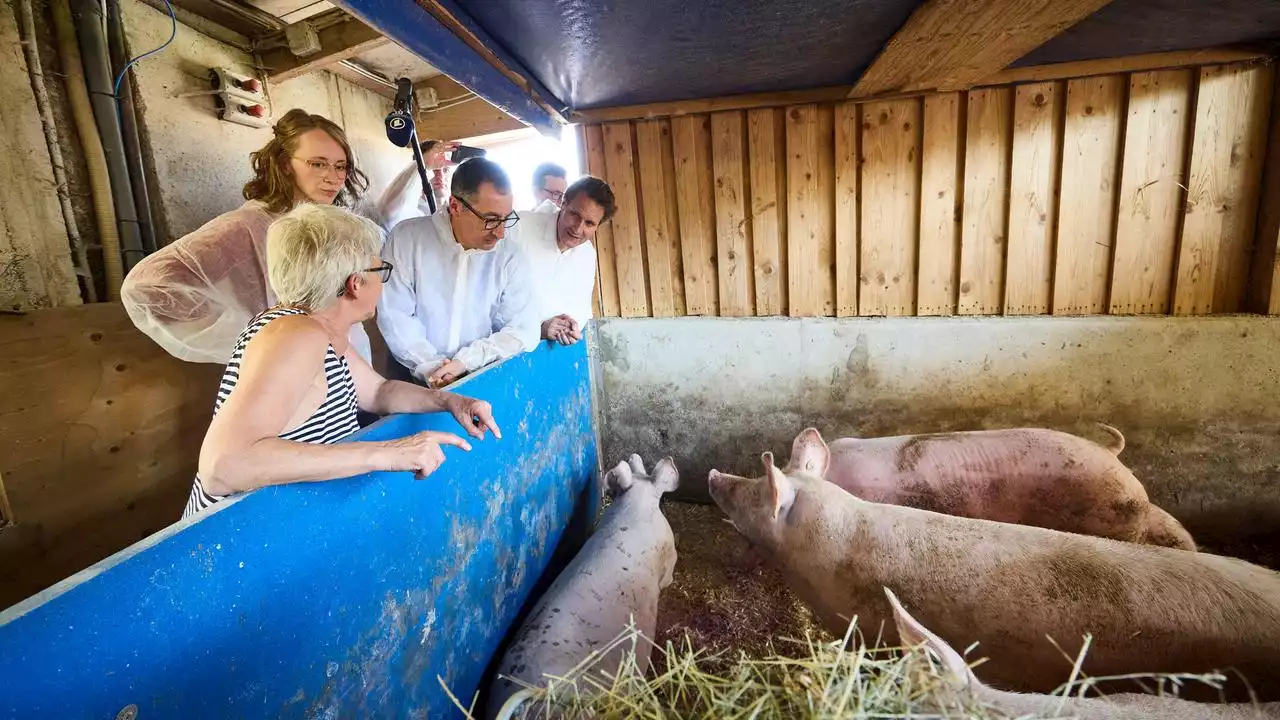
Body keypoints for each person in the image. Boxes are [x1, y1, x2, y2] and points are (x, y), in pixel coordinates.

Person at [186, 204, 499, 519]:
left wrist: (449, 400)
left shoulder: (323, 333)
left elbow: (379, 392)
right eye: (381, 271)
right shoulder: (297, 335)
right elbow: (223, 466)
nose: (384, 282)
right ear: (356, 283)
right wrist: (390, 452)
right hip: (239, 536)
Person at [122, 109, 377, 365]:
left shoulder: (327, 226)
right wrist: (260, 339)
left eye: (341, 166)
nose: (333, 177)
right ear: (285, 164)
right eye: (318, 163)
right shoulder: (249, 226)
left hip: (347, 371)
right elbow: (147, 288)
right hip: (295, 377)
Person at [377, 158, 538, 389]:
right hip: (411, 380)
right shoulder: (407, 239)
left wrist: (467, 361)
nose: (501, 232)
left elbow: (523, 327)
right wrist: (431, 368)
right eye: (491, 220)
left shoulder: (508, 256)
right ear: (455, 206)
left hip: (478, 374)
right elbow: (394, 314)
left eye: (506, 219)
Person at [511, 175, 614, 346]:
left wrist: (572, 326)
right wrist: (538, 329)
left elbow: (581, 309)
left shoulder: (587, 253)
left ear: (598, 226)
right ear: (563, 204)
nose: (577, 228)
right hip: (503, 353)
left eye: (589, 223)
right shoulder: (519, 228)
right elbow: (492, 302)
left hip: (554, 352)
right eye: (575, 214)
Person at [373, 139, 459, 230]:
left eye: (445, 170)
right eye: (433, 169)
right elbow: (388, 214)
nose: (440, 176)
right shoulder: (411, 212)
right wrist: (423, 164)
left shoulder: (456, 214)